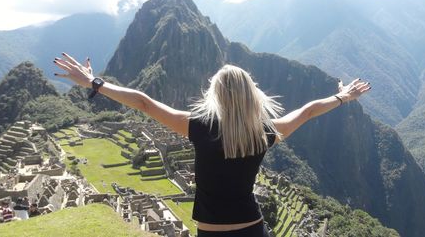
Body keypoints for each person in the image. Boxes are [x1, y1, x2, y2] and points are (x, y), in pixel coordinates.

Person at [53, 52, 370, 236]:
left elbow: (144, 103)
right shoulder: (264, 132)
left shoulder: (199, 128)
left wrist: (94, 83)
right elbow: (310, 110)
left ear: (216, 94)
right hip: (252, 227)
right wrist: (344, 96)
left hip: (211, 232)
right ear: (251, 93)